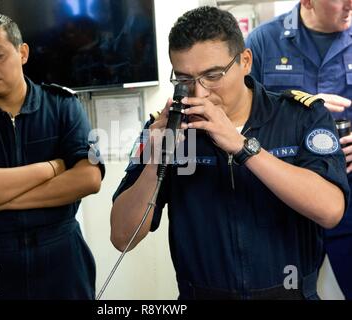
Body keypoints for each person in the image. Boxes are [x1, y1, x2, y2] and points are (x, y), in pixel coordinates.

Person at [110, 6, 349, 300]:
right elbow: (122, 237)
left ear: (245, 61)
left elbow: (331, 211)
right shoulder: (165, 128)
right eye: (185, 79)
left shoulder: (301, 117)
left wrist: (242, 147)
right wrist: (153, 164)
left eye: (213, 75)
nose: (200, 93)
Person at [0, 13, 104, 300]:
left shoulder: (62, 105)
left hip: (61, 256)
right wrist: (52, 167)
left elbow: (89, 178)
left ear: (22, 53)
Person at [246, 0, 352, 299]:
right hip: (285, 201)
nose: (350, 5)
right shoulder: (263, 42)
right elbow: (238, 114)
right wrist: (302, 109)